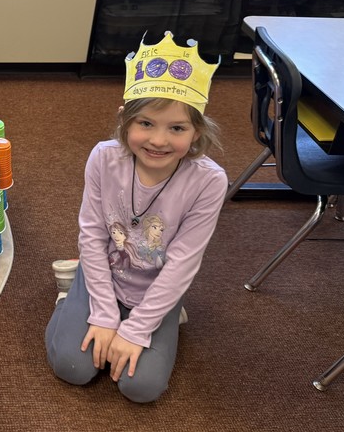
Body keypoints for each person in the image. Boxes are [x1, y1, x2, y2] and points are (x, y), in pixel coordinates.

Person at [45, 31, 228, 404]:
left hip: (157, 286)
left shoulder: (209, 181)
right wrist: (104, 314)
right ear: (125, 121)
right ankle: (71, 292)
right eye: (146, 124)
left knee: (140, 388)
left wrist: (137, 329)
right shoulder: (103, 158)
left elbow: (182, 265)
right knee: (73, 367)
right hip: (105, 273)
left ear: (196, 133)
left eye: (176, 128)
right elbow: (93, 235)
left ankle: (160, 318)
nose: (159, 140)